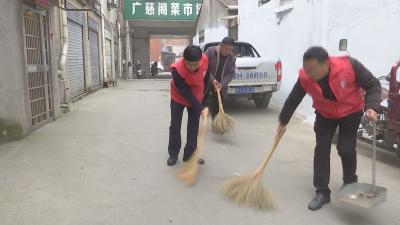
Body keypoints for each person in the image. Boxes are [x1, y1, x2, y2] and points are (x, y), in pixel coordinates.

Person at [276, 46, 381, 211]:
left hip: (350, 112)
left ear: (326, 65)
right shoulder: (306, 76)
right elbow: (294, 98)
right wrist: (283, 122)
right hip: (325, 114)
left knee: (346, 149)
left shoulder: (349, 66)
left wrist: (372, 107)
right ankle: (322, 192)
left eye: (313, 70)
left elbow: (373, 85)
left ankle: (349, 183)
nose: (309, 74)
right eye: (306, 69)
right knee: (322, 149)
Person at [167, 46, 210, 166]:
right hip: (178, 97)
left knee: (193, 126)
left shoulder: (205, 61)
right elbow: (184, 91)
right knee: (175, 126)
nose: (192, 67)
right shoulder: (177, 69)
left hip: (196, 96)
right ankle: (173, 154)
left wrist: (203, 99)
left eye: (195, 64)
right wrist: (199, 107)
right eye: (188, 64)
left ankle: (190, 155)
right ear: (183, 59)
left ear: (200, 60)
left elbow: (206, 79)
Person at [204, 37, 236, 119]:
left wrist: (222, 84)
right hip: (207, 80)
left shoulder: (232, 57)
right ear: (221, 45)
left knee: (219, 104)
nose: (228, 52)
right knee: (201, 101)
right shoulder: (210, 51)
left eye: (230, 50)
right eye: (226, 49)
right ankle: (196, 123)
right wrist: (212, 80)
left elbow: (230, 73)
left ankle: (216, 123)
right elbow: (204, 68)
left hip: (220, 84)